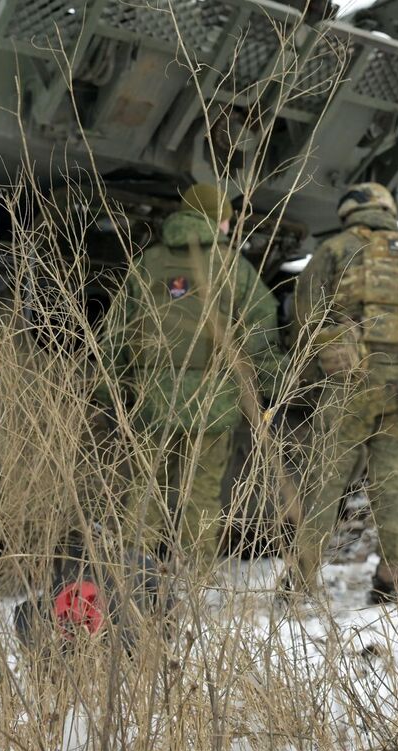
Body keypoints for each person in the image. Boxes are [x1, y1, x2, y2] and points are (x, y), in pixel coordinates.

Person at [105, 183, 282, 569]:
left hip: (154, 396)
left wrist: (111, 391)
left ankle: (130, 577)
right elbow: (261, 329)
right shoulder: (234, 266)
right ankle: (193, 580)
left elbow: (118, 332)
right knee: (201, 492)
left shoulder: (148, 263)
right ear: (220, 220)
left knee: (145, 489)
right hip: (213, 399)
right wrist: (268, 387)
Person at [288, 181, 398, 604]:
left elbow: (305, 316)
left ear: (348, 212)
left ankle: (299, 581)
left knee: (326, 481)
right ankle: (390, 580)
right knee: (389, 482)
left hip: (353, 382)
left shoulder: (337, 250)